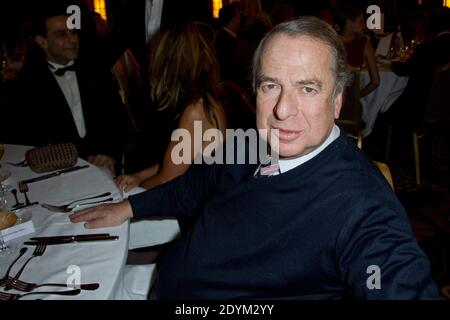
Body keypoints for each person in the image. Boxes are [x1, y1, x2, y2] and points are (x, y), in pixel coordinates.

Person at [70, 17, 440, 299]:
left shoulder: (360, 204)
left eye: (307, 88)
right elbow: (198, 184)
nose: (282, 110)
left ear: (338, 99)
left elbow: (396, 276)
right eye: (270, 86)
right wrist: (129, 209)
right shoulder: (250, 143)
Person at [12, 3, 126, 176]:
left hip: (102, 168)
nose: (72, 40)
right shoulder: (29, 84)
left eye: (73, 32)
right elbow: (28, 139)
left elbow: (118, 120)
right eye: (61, 35)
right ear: (42, 42)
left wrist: (109, 154)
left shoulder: (96, 72)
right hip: (55, 174)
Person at [116, 22, 227, 192]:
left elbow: (166, 181)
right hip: (192, 198)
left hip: (194, 209)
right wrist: (138, 177)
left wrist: (128, 194)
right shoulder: (206, 100)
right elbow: (179, 161)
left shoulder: (196, 112)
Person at [334, 7, 379, 98]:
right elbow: (376, 82)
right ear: (349, 23)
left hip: (330, 100)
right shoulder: (364, 43)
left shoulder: (329, 41)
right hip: (351, 105)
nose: (364, 25)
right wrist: (356, 97)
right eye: (361, 21)